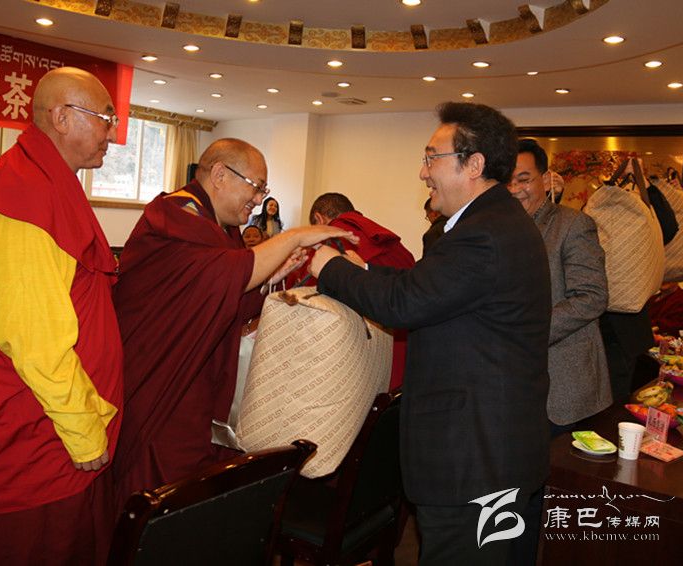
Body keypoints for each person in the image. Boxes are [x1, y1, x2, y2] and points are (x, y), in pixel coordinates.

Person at [310, 102, 551, 566]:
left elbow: (406, 303)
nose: (423, 172)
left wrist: (332, 268)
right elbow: (427, 287)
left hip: (475, 462)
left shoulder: (484, 233)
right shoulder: (490, 223)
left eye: (431, 158)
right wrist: (365, 271)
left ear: (474, 164)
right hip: (490, 453)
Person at [0, 67, 123, 566]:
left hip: (45, 431)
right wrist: (84, 432)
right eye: (105, 118)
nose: (112, 133)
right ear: (61, 117)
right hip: (36, 439)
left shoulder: (43, 181)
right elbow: (34, 340)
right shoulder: (24, 196)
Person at [111, 138, 355, 513]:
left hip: (194, 380)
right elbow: (226, 275)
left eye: (263, 190)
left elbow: (222, 296)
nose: (258, 199)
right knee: (153, 497)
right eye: (256, 187)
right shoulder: (176, 215)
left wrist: (272, 276)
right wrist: (294, 236)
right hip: (158, 378)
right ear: (220, 174)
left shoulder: (220, 228)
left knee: (186, 497)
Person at [509, 138, 612, 437]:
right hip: (512, 381)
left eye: (523, 179)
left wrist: (528, 331)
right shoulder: (500, 229)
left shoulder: (573, 224)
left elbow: (591, 297)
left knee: (555, 464)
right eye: (507, 181)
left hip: (562, 384)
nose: (514, 189)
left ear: (545, 179)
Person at [303, 192, 415, 390]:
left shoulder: (333, 240)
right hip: (407, 348)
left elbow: (311, 300)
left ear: (319, 219)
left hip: (361, 359)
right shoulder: (389, 239)